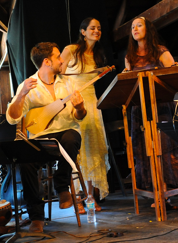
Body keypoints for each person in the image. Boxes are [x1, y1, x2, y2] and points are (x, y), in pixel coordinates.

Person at [6, 42, 86, 233]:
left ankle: (62, 187)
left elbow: (80, 117)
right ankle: (36, 217)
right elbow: (12, 118)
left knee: (72, 137)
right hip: (41, 139)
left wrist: (80, 107)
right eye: (58, 57)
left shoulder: (68, 83)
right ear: (47, 61)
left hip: (66, 134)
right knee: (26, 162)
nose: (62, 60)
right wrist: (21, 95)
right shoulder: (28, 85)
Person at [124, 16, 178, 209]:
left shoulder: (160, 51)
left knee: (167, 151)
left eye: (139, 25)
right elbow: (128, 84)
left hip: (161, 107)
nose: (135, 29)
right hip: (139, 111)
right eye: (132, 27)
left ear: (148, 28)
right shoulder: (130, 56)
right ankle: (161, 195)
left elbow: (174, 77)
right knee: (146, 153)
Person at [61, 17, 110, 214]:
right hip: (74, 103)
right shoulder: (71, 50)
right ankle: (77, 198)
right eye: (92, 28)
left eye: (98, 28)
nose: (96, 31)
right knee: (77, 153)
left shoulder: (98, 55)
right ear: (83, 31)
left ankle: (90, 196)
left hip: (92, 104)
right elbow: (59, 75)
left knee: (92, 151)